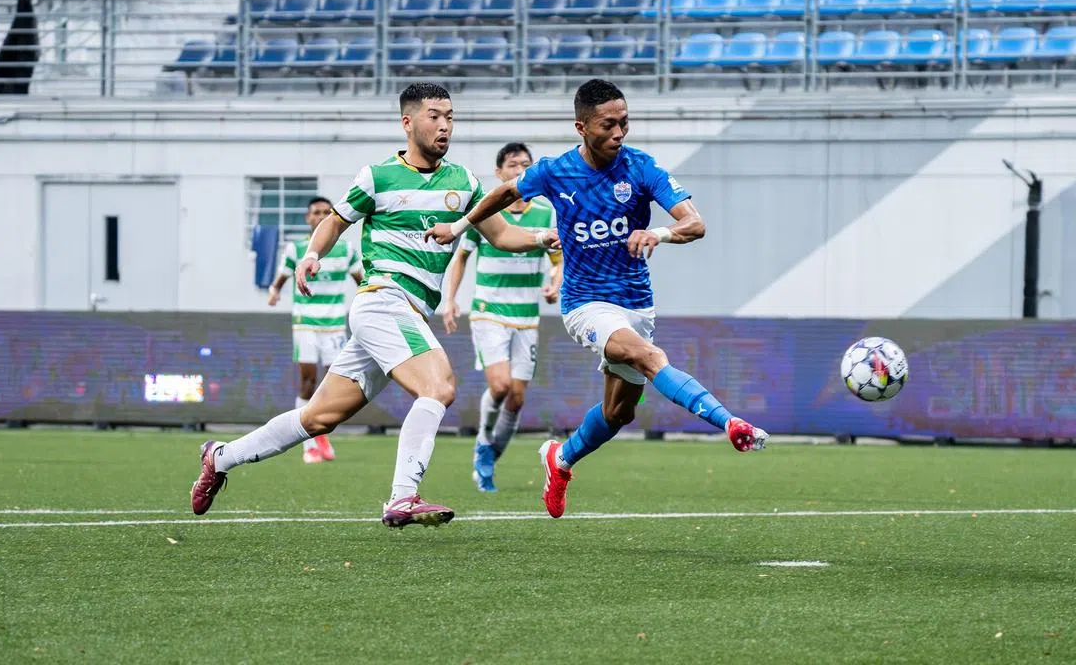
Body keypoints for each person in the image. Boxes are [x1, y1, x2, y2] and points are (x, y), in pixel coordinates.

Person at [190, 82, 559, 529]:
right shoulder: (377, 177)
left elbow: (501, 235)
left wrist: (542, 237)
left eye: (450, 117)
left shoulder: (464, 183)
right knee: (439, 386)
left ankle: (221, 457)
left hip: (405, 313)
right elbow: (335, 221)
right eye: (434, 116)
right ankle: (403, 496)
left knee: (320, 416)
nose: (445, 126)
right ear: (408, 123)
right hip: (384, 300)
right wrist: (311, 255)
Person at [425, 79, 768, 519]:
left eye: (624, 123)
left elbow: (695, 223)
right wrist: (457, 227)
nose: (619, 133)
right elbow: (506, 192)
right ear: (582, 127)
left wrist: (658, 231)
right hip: (585, 303)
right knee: (648, 356)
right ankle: (730, 423)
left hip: (636, 304)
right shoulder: (555, 170)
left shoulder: (642, 168)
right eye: (609, 125)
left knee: (618, 412)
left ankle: (561, 458)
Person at [441, 142, 563, 493]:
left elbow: (558, 261)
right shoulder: (489, 211)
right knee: (500, 386)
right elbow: (461, 256)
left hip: (527, 315)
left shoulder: (545, 212)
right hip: (489, 311)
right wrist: (450, 300)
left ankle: (491, 457)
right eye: (513, 165)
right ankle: (482, 442)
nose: (520, 169)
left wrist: (555, 285)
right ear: (500, 173)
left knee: (518, 398)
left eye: (526, 164)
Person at [267, 196, 363, 464]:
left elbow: (363, 282)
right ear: (308, 218)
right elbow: (280, 279)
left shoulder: (346, 250)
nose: (320, 216)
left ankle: (320, 434)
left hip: (334, 327)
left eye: (325, 212)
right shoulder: (295, 249)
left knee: (333, 386)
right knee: (308, 382)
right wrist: (274, 291)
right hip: (306, 324)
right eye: (315, 213)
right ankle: (309, 445)